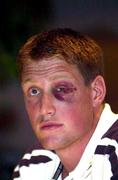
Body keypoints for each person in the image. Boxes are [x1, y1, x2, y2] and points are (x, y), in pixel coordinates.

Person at [13, 28, 118, 180]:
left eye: (61, 89)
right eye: (34, 91)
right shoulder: (36, 162)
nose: (44, 109)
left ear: (96, 92)